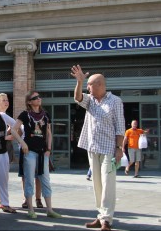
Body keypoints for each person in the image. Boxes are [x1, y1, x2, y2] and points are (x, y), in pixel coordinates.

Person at [71, 65, 125, 231]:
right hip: (92, 148)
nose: (88, 88)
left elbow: (120, 126)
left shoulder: (115, 101)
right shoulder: (91, 100)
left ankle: (106, 220)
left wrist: (119, 148)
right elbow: (77, 98)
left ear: (100, 85)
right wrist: (79, 82)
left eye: (89, 85)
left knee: (107, 183)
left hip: (109, 149)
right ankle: (100, 215)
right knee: (97, 184)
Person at [11, 91, 61, 219]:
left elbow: (49, 133)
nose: (39, 99)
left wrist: (49, 148)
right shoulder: (25, 114)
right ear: (29, 102)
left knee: (45, 179)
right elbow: (13, 129)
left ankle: (49, 209)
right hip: (30, 151)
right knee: (29, 180)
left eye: (39, 97)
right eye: (35, 98)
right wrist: (22, 143)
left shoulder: (46, 115)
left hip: (43, 151)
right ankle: (30, 209)